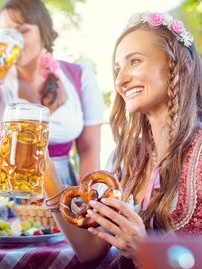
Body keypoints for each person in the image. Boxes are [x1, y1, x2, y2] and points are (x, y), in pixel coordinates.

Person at [43, 11, 202, 268]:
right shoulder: (126, 156)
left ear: (180, 67)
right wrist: (45, 171)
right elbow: (90, 252)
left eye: (135, 62)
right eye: (118, 68)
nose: (120, 80)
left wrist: (144, 250)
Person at [0, 0, 104, 186]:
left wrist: (87, 200)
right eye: (6, 31)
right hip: (5, 190)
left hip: (62, 187)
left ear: (43, 31)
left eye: (23, 30)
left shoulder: (79, 75)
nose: (13, 39)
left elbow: (89, 149)